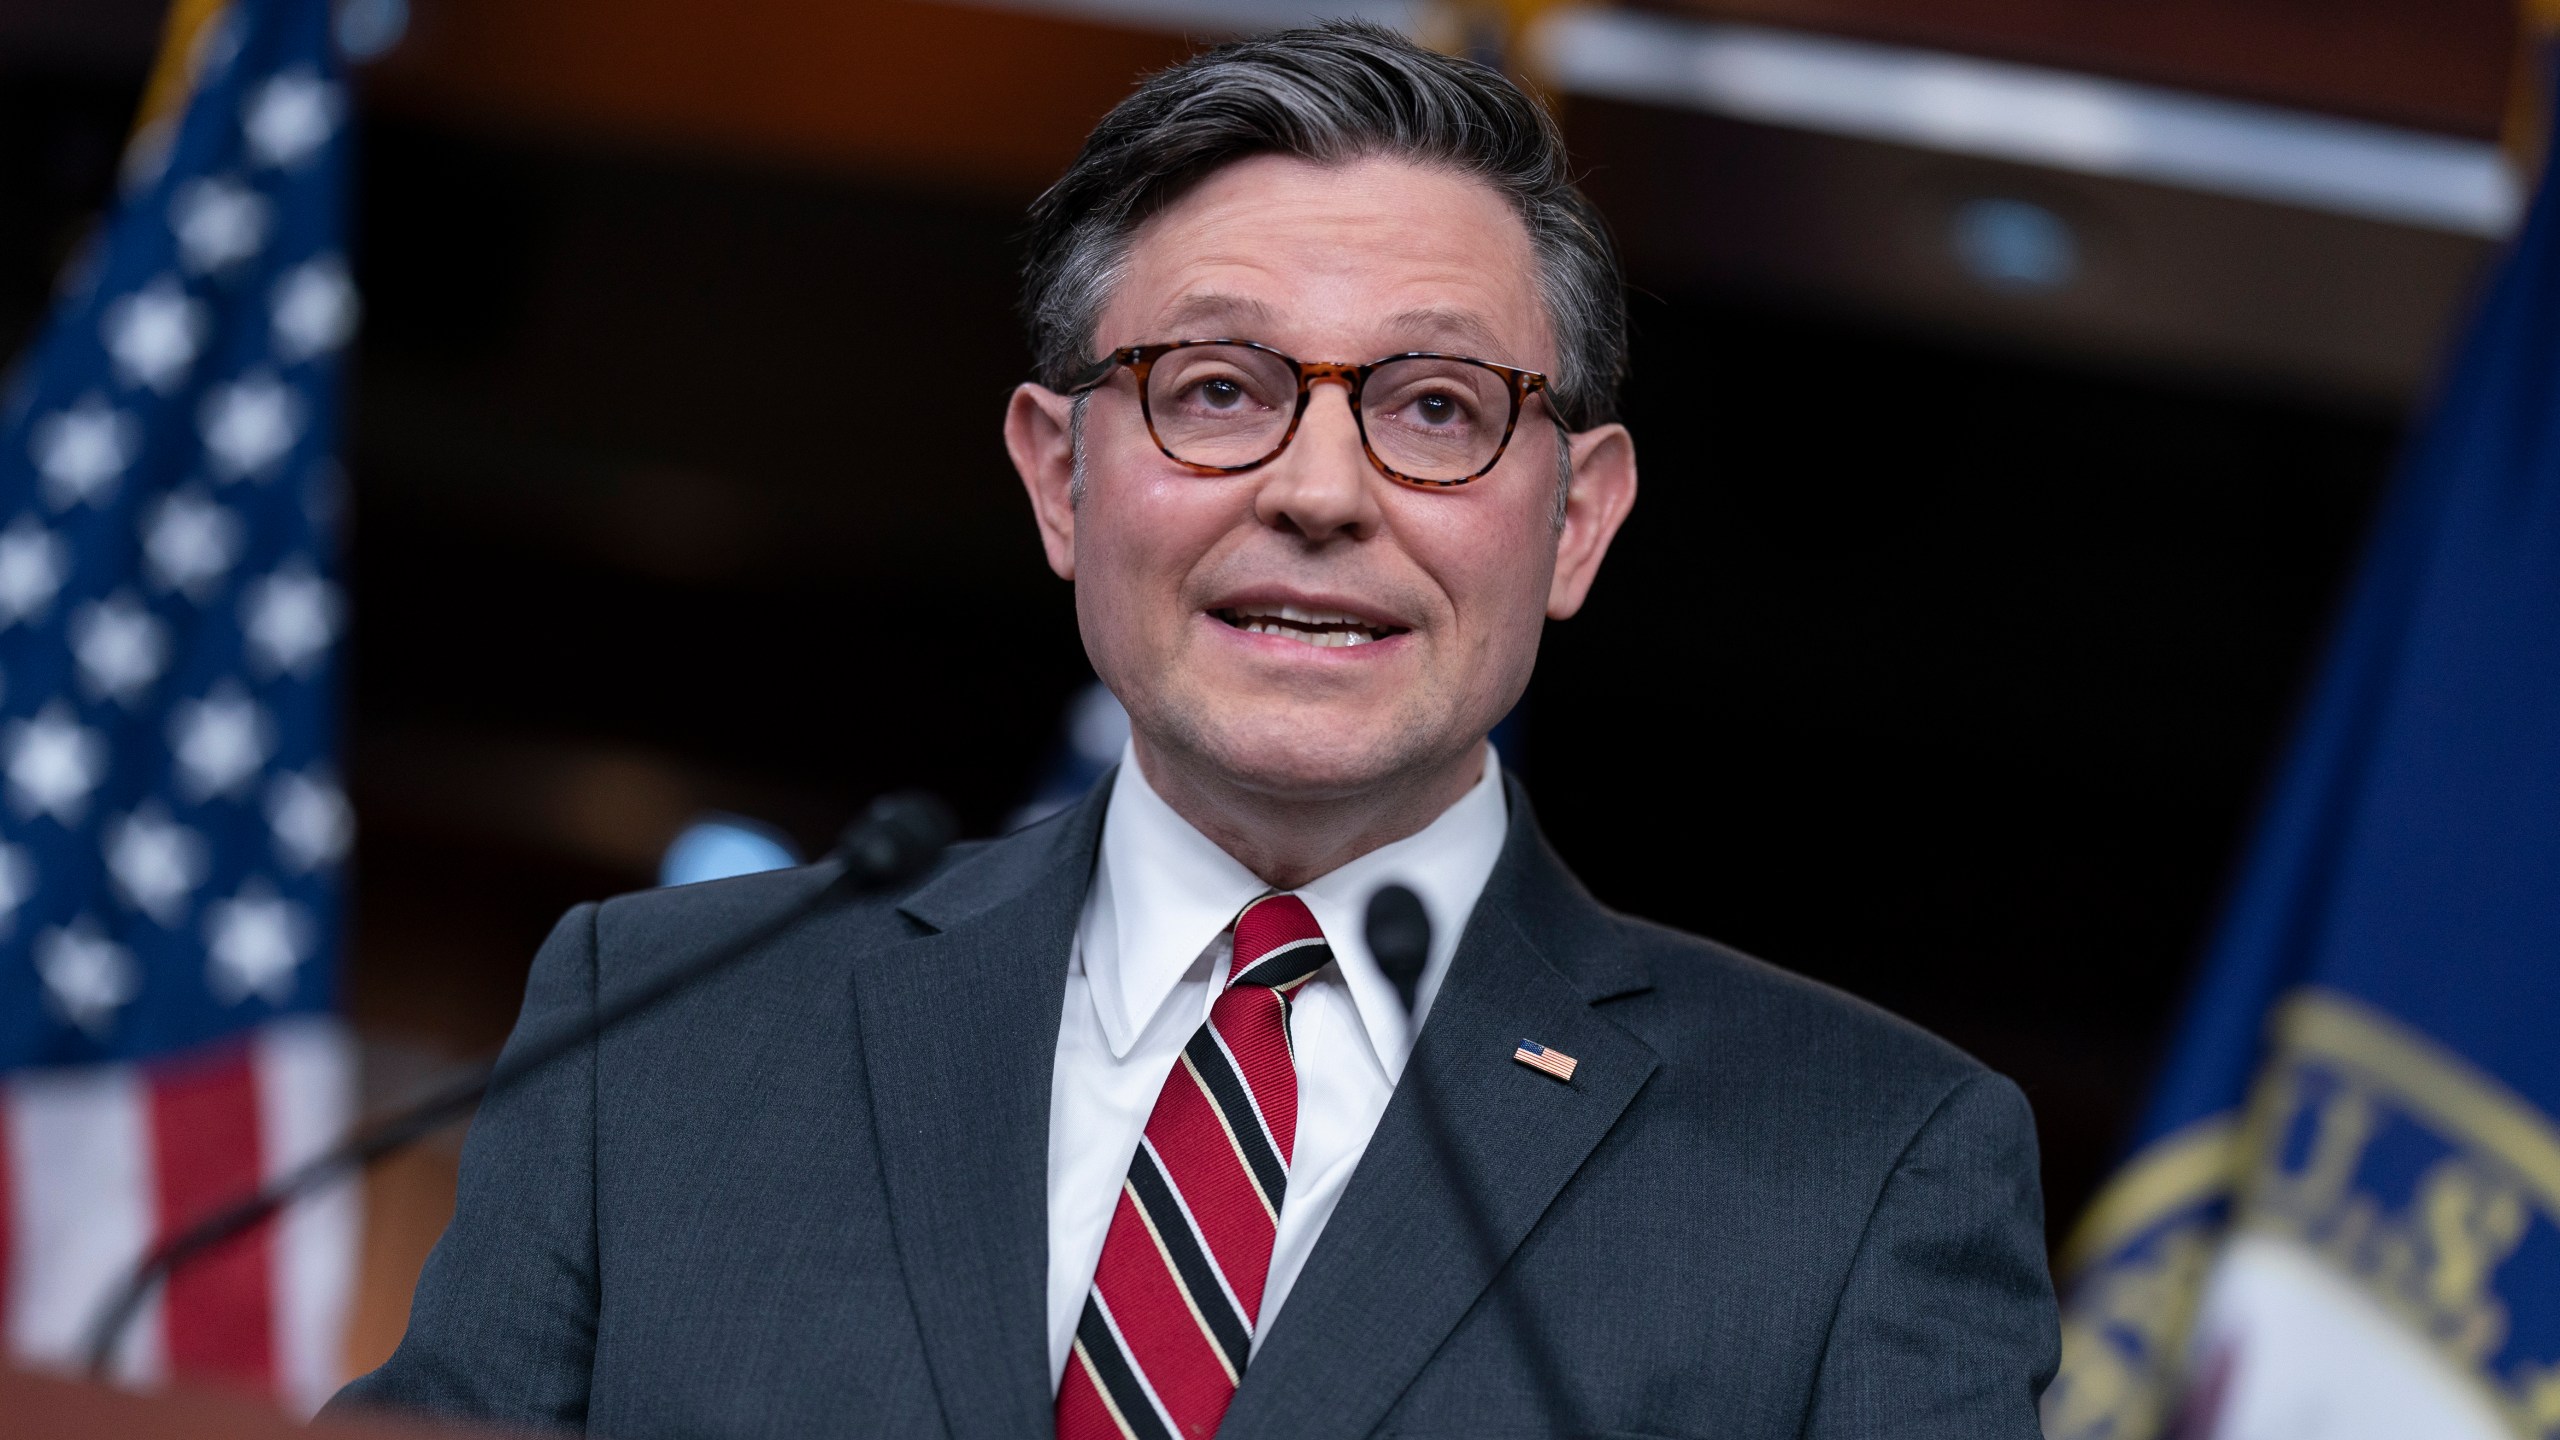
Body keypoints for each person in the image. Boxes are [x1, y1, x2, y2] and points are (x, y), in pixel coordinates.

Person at [333, 23, 2057, 1439]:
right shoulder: (662, 1030)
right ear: (1057, 474)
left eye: (1435, 407)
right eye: (1216, 390)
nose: (1319, 493)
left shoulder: (1866, 1165)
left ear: (1581, 520)